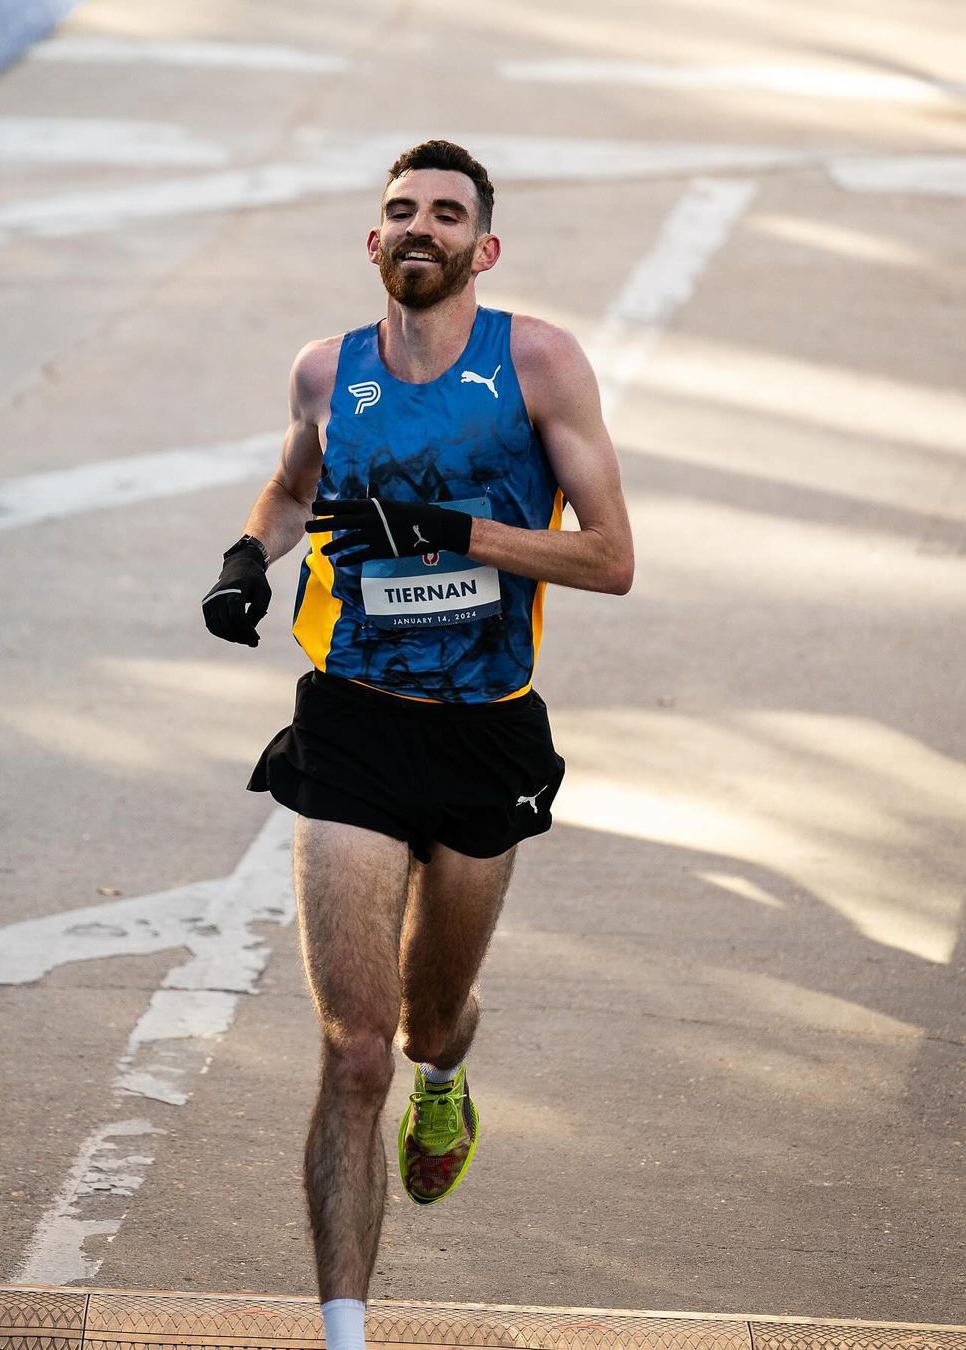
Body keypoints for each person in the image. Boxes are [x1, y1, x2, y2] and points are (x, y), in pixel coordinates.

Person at [202, 139, 633, 1349]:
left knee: (427, 1022)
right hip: (350, 721)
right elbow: (294, 490)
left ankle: (446, 1078)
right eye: (401, 211)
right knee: (354, 1048)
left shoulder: (539, 365)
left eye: (447, 214)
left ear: (482, 249)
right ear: (374, 240)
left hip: (487, 730)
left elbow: (611, 559)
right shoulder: (327, 372)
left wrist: (456, 532)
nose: (421, 228)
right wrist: (247, 559)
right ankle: (347, 1336)